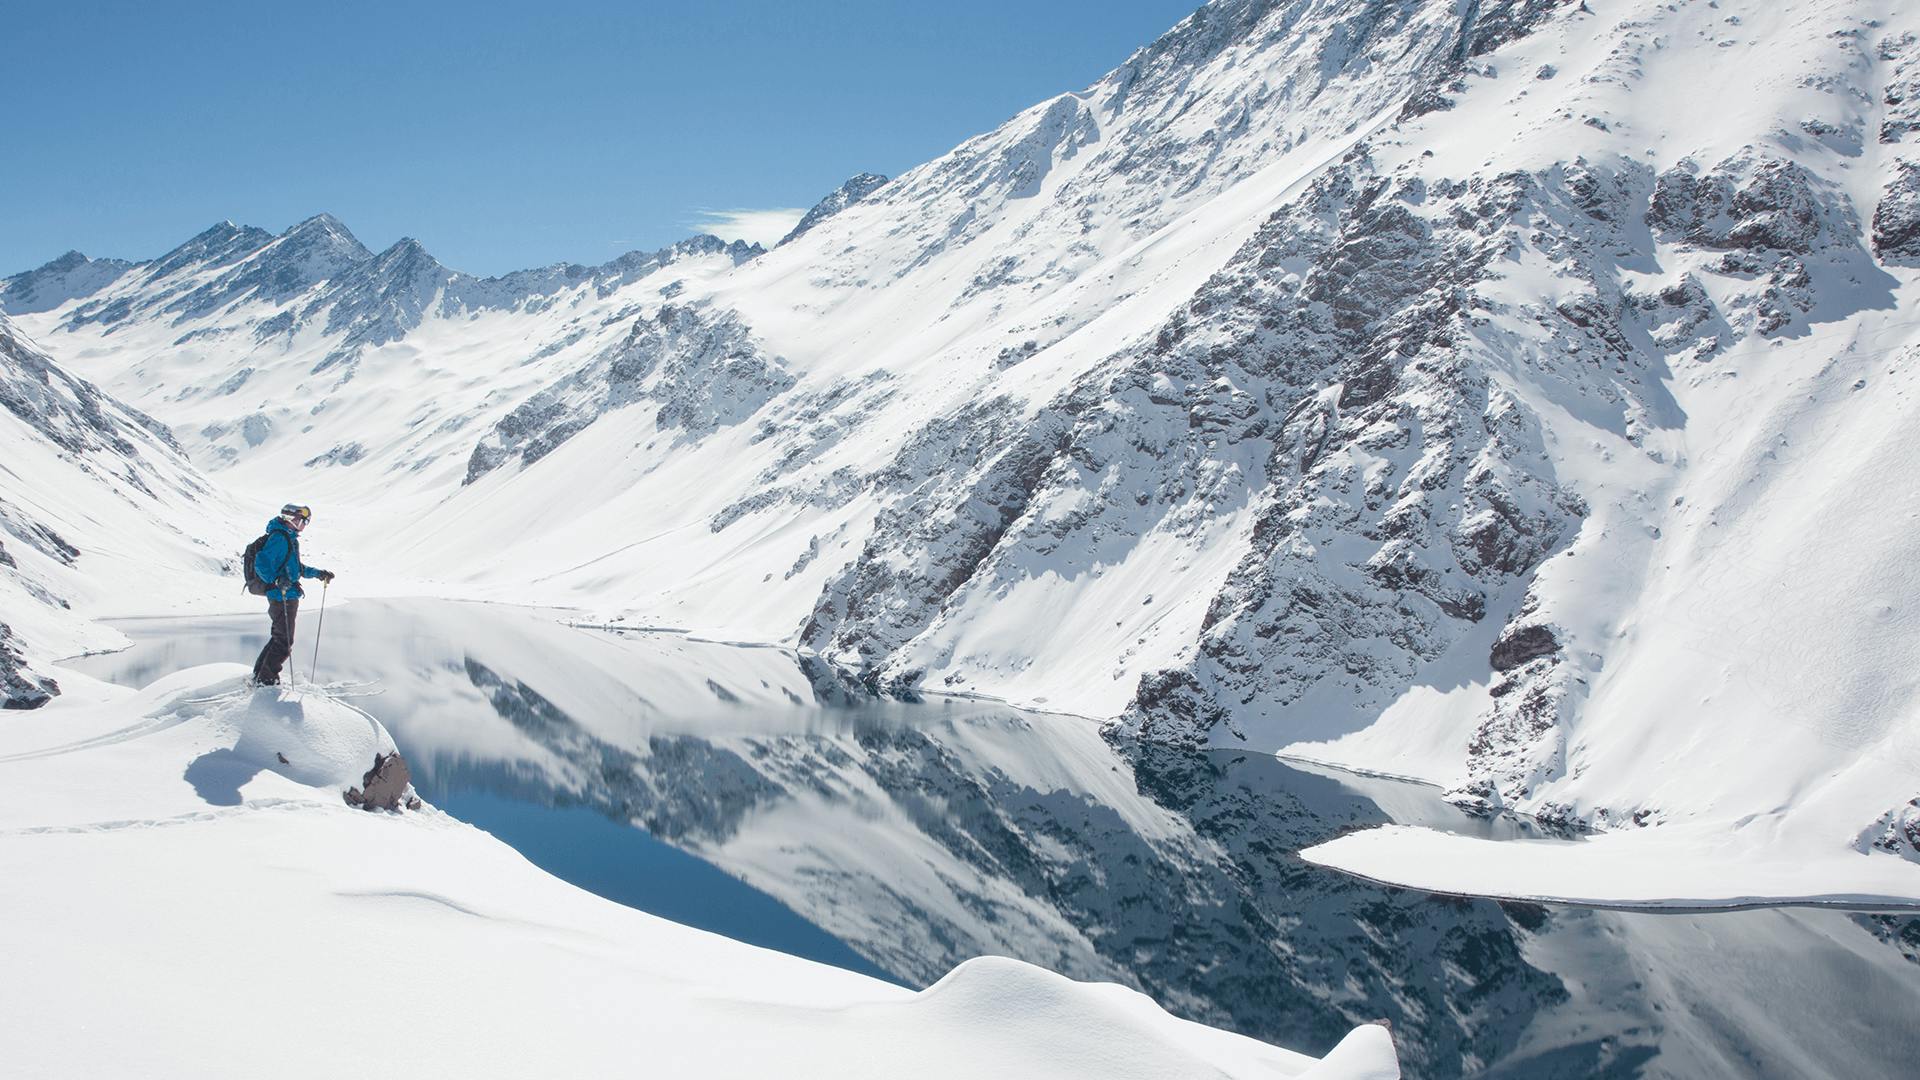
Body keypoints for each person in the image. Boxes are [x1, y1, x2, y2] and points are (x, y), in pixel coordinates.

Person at [250, 503, 335, 687]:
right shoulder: (280, 538)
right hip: (281, 596)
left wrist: (319, 573)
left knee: (279, 638)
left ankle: (260, 675)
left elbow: (296, 568)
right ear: (290, 519)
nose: (305, 524)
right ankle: (266, 681)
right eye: (302, 520)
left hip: (287, 595)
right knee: (284, 640)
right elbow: (261, 563)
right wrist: (276, 581)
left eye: (306, 521)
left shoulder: (289, 538)